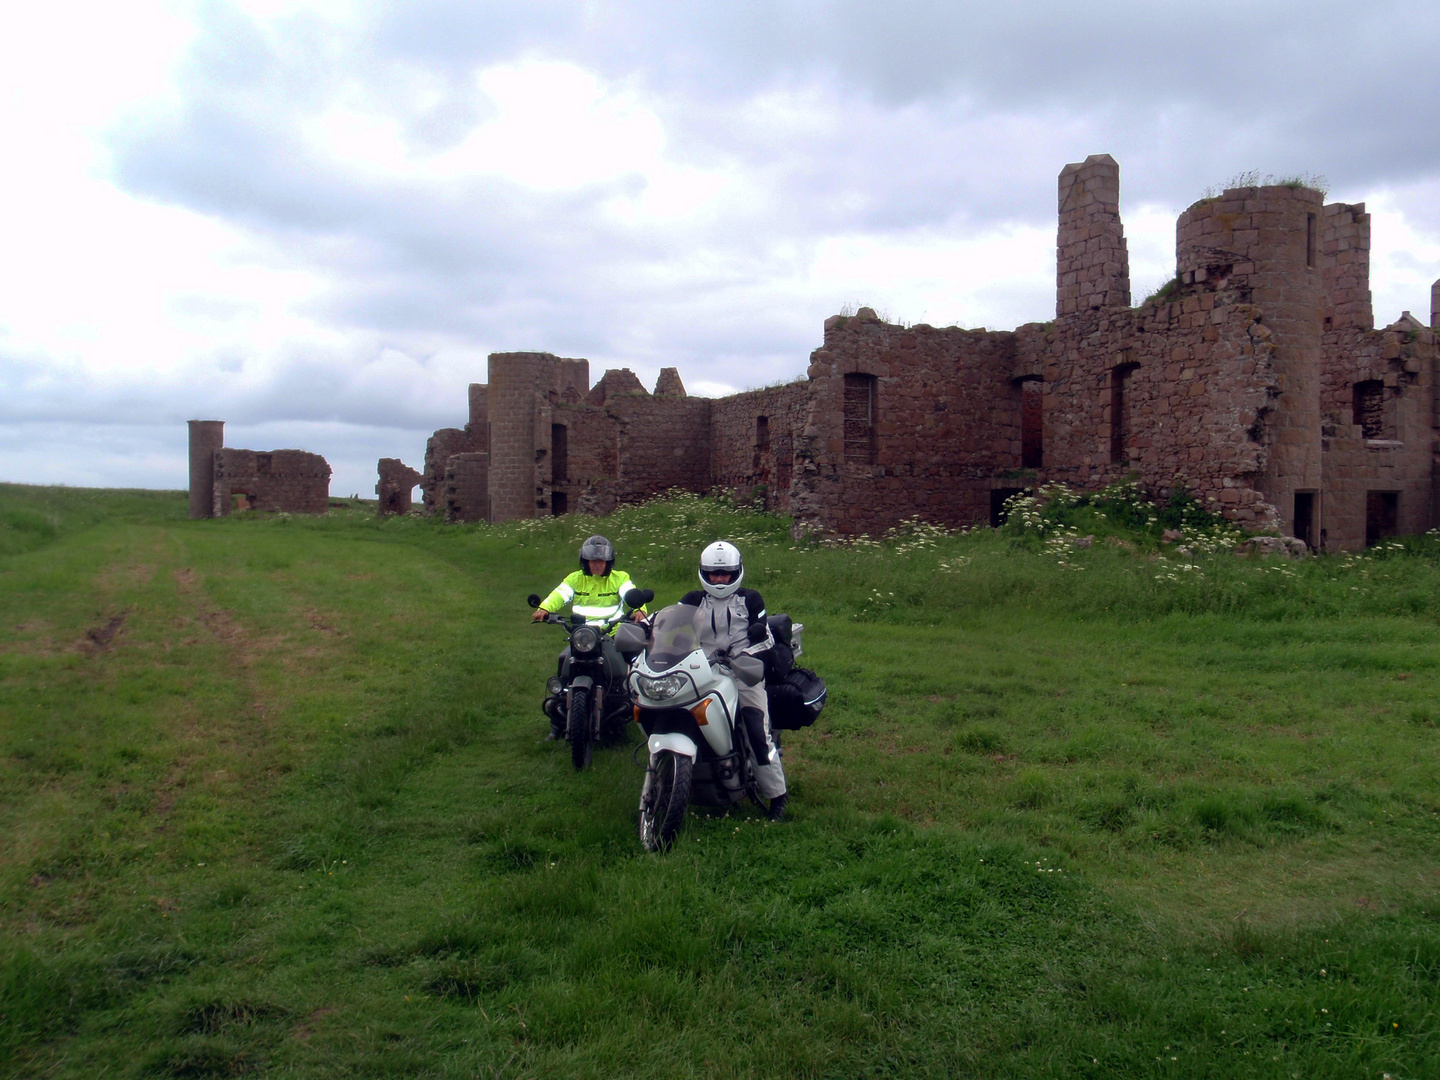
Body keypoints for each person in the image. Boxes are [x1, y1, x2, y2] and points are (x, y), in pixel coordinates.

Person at [678, 540, 788, 821]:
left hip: (743, 671)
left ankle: (777, 796)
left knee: (755, 730)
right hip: (702, 669)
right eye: (714, 573)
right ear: (704, 572)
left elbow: (765, 637)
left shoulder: (751, 599)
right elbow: (671, 622)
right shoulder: (693, 599)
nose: (719, 579)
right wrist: (647, 625)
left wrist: (744, 655)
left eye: (725, 573)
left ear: (736, 572)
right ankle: (682, 779)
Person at [532, 535, 648, 740]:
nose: (597, 565)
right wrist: (544, 608)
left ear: (608, 562)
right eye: (592, 561)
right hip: (581, 636)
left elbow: (630, 592)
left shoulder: (619, 578)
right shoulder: (575, 578)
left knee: (625, 669)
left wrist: (639, 608)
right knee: (564, 665)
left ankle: (631, 706)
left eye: (601, 561)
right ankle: (556, 724)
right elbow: (560, 594)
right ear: (584, 562)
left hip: (609, 634)